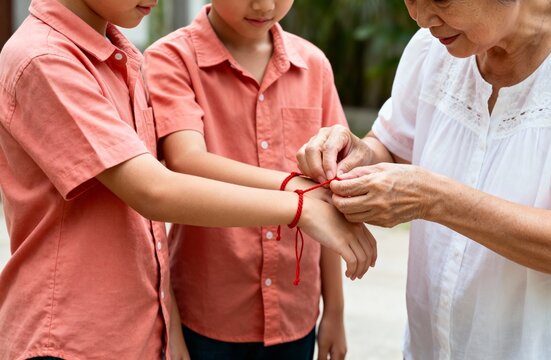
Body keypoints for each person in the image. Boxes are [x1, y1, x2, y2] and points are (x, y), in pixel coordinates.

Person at [0, 0, 376, 359]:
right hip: (70, 335)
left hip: (131, 330)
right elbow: (154, 189)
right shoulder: (46, 59)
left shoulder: (117, 56)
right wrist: (298, 203)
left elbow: (149, 232)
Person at [297, 0, 551, 358]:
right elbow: (392, 147)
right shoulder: (434, 47)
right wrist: (357, 155)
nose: (421, 18)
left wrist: (434, 198)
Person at [142, 1, 356, 359]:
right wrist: (294, 191)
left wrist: (334, 309)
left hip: (295, 316)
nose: (264, 5)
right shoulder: (171, 58)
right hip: (207, 317)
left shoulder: (314, 65)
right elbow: (186, 160)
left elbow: (328, 196)